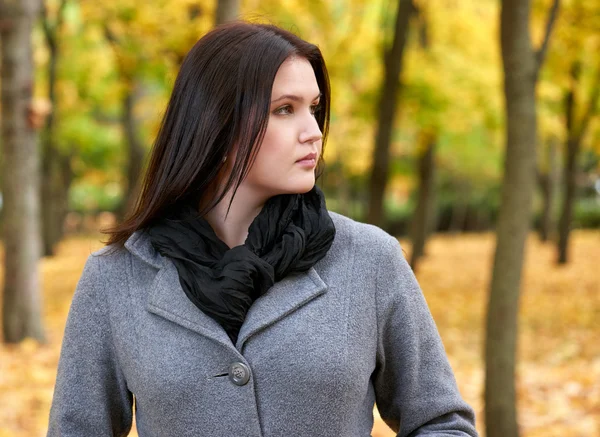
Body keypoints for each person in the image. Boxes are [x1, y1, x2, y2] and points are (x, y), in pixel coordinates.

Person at [47, 21, 478, 437]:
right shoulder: (115, 276)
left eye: (314, 109)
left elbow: (443, 424)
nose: (313, 132)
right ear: (215, 124)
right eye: (284, 110)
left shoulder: (368, 259)